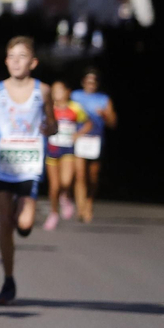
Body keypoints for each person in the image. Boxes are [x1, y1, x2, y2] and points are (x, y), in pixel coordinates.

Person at [0, 37, 53, 305]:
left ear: (33, 63)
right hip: (3, 163)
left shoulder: (42, 91)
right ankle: (8, 280)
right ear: (6, 61)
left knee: (24, 223)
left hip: (29, 164)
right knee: (5, 222)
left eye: (22, 56)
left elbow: (52, 124)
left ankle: (23, 223)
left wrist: (49, 129)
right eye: (11, 56)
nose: (16, 61)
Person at [42, 80, 90, 231]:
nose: (57, 94)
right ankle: (53, 213)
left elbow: (88, 123)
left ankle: (65, 196)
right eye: (54, 91)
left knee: (66, 181)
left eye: (60, 90)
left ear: (67, 92)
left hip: (68, 149)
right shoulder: (49, 109)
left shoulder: (74, 108)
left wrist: (78, 134)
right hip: (52, 150)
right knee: (54, 186)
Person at [72, 69, 114, 221]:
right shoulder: (75, 96)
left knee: (93, 176)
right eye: (88, 81)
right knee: (80, 175)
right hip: (80, 138)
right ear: (83, 82)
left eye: (94, 82)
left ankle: (89, 202)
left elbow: (112, 123)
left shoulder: (103, 99)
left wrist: (105, 115)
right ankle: (80, 207)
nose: (91, 84)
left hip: (96, 140)